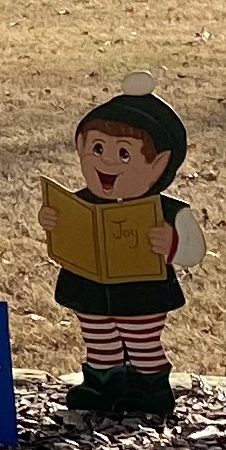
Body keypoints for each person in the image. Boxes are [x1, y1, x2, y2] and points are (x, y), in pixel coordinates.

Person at [37, 73, 202, 418]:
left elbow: (194, 250)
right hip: (89, 286)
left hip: (141, 291)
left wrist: (172, 244)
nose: (107, 161)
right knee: (98, 337)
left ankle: (150, 387)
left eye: (124, 154)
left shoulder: (167, 211)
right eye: (97, 149)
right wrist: (53, 221)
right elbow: (66, 231)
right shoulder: (80, 203)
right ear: (81, 147)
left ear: (159, 164)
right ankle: (102, 383)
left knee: (141, 340)